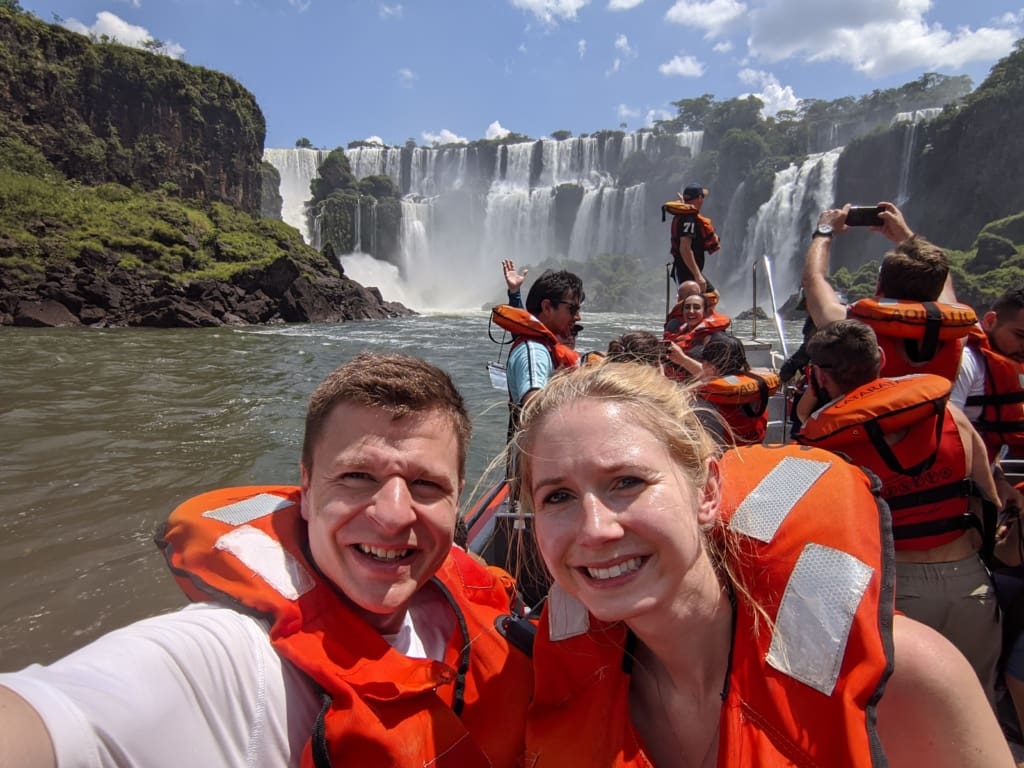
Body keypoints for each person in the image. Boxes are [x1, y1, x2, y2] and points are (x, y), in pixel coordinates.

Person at [0, 353, 532, 768]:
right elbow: (52, 717)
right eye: (356, 477)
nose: (394, 515)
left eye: (425, 484)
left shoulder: (462, 590)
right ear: (304, 482)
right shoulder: (233, 659)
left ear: (458, 495)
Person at [511, 361, 1012, 767]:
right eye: (558, 497)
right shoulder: (541, 678)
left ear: (706, 491)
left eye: (627, 482)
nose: (596, 528)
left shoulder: (905, 678)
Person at [796, 319, 1005, 705]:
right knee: (976, 710)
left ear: (820, 377)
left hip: (896, 591)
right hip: (971, 584)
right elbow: (989, 500)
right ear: (881, 358)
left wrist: (806, 412)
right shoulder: (951, 416)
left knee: (902, 718)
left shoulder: (825, 443)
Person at [801, 201, 976, 382]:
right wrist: (906, 236)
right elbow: (942, 275)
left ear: (880, 286)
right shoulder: (956, 335)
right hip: (933, 410)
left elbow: (813, 278)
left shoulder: (851, 333)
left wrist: (824, 230)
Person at [692, 332, 779, 445]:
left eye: (703, 361)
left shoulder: (702, 403)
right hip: (751, 451)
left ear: (712, 368)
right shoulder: (757, 390)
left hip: (722, 458)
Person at [664, 184, 721, 292]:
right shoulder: (689, 219)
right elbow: (685, 248)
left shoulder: (686, 215)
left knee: (712, 295)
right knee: (690, 300)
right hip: (686, 271)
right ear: (699, 198)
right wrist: (698, 275)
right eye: (702, 197)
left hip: (687, 270)